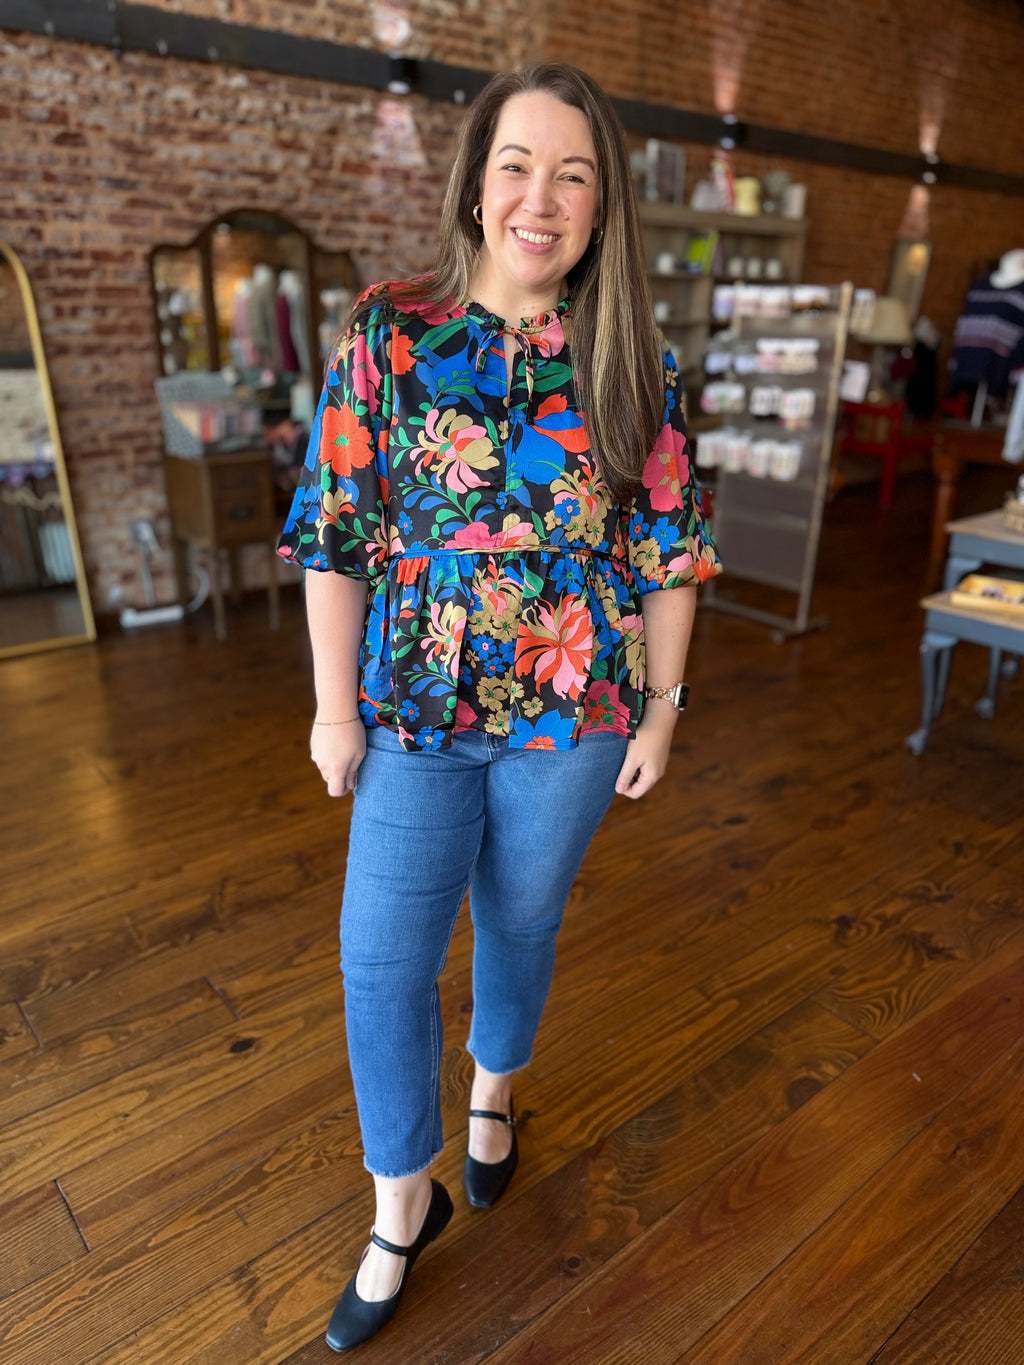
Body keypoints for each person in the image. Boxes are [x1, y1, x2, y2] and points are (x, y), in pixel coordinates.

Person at [277, 61, 720, 1353]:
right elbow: (336, 535)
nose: (544, 195)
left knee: (521, 913)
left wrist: (662, 711)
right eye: (520, 164)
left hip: (575, 711)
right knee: (380, 963)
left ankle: (495, 1092)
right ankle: (397, 1202)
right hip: (411, 707)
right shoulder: (389, 332)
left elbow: (670, 551)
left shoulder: (631, 354)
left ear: (601, 207)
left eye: (574, 173)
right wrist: (329, 710)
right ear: (477, 183)